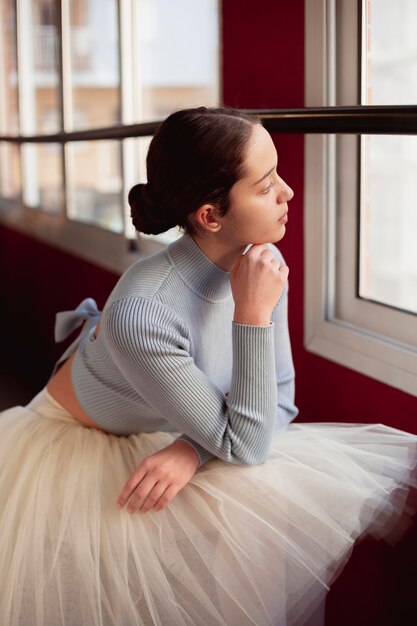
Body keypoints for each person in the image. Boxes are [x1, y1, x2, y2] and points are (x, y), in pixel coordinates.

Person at [0, 106, 416, 626]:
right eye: (266, 187)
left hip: (173, 424)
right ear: (210, 215)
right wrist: (252, 315)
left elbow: (280, 402)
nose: (287, 193)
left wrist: (191, 449)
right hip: (74, 436)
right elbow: (248, 443)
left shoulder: (258, 263)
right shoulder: (144, 310)